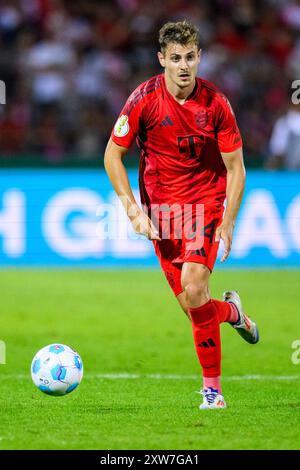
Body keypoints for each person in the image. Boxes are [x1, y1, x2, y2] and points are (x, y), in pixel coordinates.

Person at [104, 20, 259, 410]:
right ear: (162, 60)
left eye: (190, 57)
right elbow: (112, 154)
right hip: (162, 213)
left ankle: (213, 392)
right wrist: (133, 212)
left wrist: (228, 220)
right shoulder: (143, 100)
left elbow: (237, 168)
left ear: (199, 57)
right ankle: (233, 312)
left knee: (193, 288)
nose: (184, 66)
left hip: (204, 203)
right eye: (176, 58)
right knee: (196, 308)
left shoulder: (217, 104)